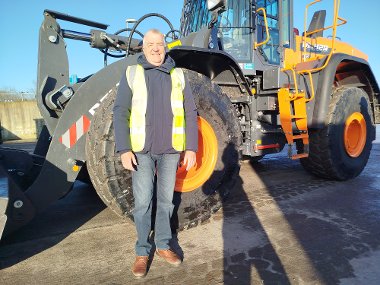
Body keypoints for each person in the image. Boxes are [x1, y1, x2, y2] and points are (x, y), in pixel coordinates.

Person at [113, 29, 198, 278]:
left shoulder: (178, 75)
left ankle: (162, 245)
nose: (155, 48)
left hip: (171, 149)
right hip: (141, 151)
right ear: (143, 47)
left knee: (166, 201)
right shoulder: (132, 74)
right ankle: (142, 250)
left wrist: (191, 147)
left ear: (165, 46)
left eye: (159, 44)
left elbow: (190, 112)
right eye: (150, 44)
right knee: (142, 203)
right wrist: (124, 148)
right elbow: (120, 111)